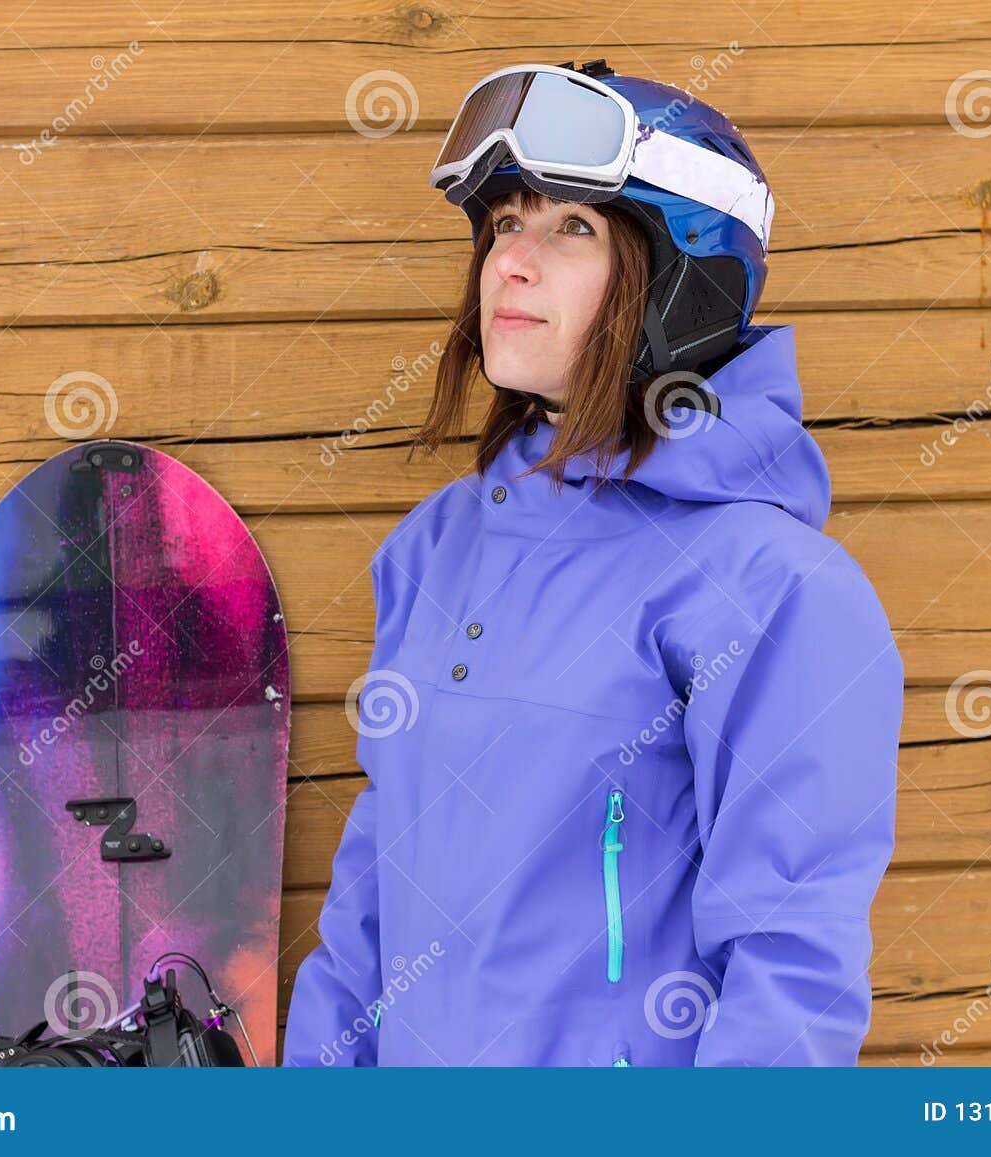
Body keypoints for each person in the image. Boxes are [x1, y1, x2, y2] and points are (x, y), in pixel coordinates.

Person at [283, 60, 903, 1067]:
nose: (510, 263)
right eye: (505, 223)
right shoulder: (439, 546)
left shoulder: (776, 589)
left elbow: (791, 959)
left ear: (680, 274)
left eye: (571, 227)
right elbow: (374, 885)